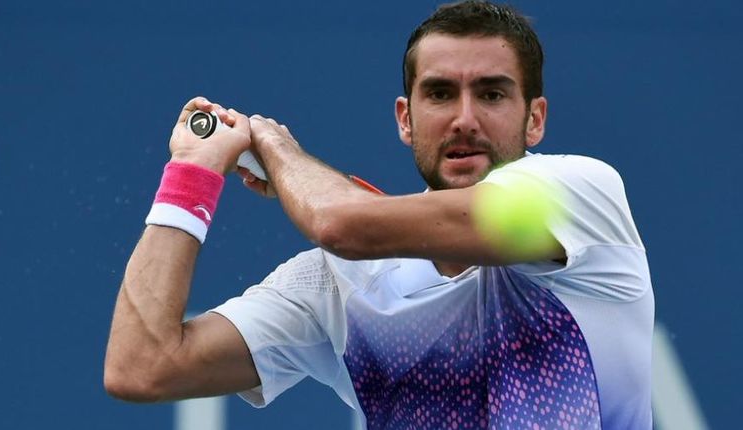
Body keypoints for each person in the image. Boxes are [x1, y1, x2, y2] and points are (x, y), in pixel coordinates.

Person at [104, 1, 654, 429]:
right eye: (440, 94)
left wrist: (275, 147)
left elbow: (339, 223)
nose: (465, 119)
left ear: (535, 119)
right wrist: (192, 172)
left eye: (491, 95)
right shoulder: (336, 285)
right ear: (405, 119)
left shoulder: (578, 194)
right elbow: (141, 366)